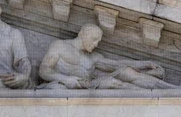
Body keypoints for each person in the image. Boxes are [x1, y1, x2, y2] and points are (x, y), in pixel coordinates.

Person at [39, 23, 173, 89]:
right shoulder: (60, 46)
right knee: (113, 83)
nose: (96, 44)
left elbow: (118, 64)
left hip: (89, 85)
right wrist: (65, 79)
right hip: (62, 86)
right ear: (82, 34)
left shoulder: (93, 57)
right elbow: (44, 70)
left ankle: (169, 91)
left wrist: (146, 63)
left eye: (98, 41)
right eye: (94, 39)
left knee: (126, 72)